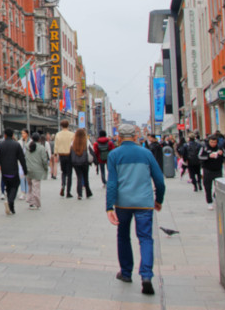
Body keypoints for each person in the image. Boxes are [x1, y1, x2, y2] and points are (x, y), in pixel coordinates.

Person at [106, 123, 165, 296]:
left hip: (123, 203)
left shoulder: (114, 154)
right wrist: (158, 199)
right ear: (134, 137)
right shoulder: (146, 153)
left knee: (123, 236)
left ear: (119, 137)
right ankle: (146, 275)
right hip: (144, 203)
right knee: (146, 238)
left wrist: (109, 206)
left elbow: (112, 183)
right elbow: (159, 180)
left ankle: (126, 272)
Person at [0, 128, 27, 215]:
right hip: (14, 171)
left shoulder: (0, 145)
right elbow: (22, 159)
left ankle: (12, 207)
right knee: (14, 187)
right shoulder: (16, 145)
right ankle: (10, 201)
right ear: (12, 135)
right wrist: (25, 170)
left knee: (8, 188)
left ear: (5, 135)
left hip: (4, 171)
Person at [198, 134, 225, 210]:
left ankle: (215, 196)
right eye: (212, 142)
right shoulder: (204, 148)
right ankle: (209, 202)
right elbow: (199, 156)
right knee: (207, 187)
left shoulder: (219, 147)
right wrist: (208, 156)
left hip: (218, 170)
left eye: (215, 142)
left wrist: (221, 153)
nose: (213, 144)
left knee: (218, 187)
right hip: (207, 170)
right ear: (209, 141)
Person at [24, 132, 49, 209]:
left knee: (30, 186)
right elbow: (44, 160)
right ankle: (36, 203)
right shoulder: (41, 148)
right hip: (37, 170)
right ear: (39, 139)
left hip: (28, 169)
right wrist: (46, 168)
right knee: (36, 187)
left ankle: (30, 201)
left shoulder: (27, 146)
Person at [71, 128, 93, 200]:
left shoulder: (73, 142)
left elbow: (70, 151)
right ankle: (88, 193)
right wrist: (90, 161)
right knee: (86, 178)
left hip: (76, 163)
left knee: (79, 177)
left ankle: (79, 194)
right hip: (84, 162)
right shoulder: (86, 141)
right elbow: (90, 152)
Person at [54, 120, 75, 198]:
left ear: (61, 126)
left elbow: (56, 145)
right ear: (68, 125)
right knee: (69, 174)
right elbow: (73, 145)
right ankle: (68, 192)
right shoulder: (72, 134)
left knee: (63, 172)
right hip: (69, 155)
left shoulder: (58, 134)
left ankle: (63, 185)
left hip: (61, 155)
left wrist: (55, 154)